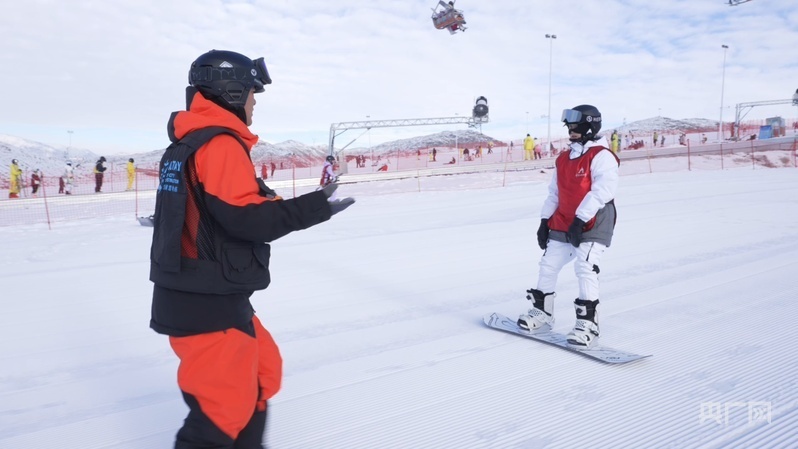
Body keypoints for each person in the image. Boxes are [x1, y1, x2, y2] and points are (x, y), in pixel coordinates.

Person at [149, 49, 355, 449]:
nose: (255, 102)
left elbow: (216, 211)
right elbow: (246, 219)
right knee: (222, 410)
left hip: (208, 292)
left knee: (262, 373)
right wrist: (314, 207)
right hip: (205, 302)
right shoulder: (220, 144)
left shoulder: (188, 144)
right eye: (251, 92)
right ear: (231, 90)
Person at [517, 104, 619, 349]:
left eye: (575, 126)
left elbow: (603, 192)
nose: (570, 130)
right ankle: (542, 314)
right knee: (548, 264)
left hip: (593, 220)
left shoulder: (602, 156)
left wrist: (581, 219)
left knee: (585, 266)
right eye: (569, 126)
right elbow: (554, 192)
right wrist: (544, 221)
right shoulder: (563, 158)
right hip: (564, 219)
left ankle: (588, 325)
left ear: (590, 125)